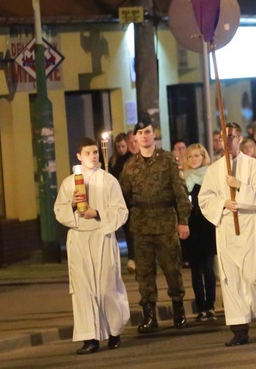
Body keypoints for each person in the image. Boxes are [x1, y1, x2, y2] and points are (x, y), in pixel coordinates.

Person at [199, 123, 256, 347]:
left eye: (231, 137)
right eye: (223, 137)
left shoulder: (253, 165)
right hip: (226, 227)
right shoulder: (214, 169)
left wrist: (239, 186)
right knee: (231, 279)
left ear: (239, 139)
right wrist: (223, 203)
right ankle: (239, 328)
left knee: (254, 275)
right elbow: (205, 199)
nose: (227, 141)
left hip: (249, 224)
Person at [54, 138, 130, 355]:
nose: (93, 156)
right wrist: (71, 204)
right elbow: (59, 210)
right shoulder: (69, 183)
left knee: (107, 287)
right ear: (79, 156)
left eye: (95, 152)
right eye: (88, 153)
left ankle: (114, 330)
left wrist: (96, 213)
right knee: (84, 290)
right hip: (79, 239)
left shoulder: (109, 181)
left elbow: (121, 211)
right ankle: (91, 338)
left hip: (102, 237)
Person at [119, 115, 192, 333]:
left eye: (147, 132)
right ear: (135, 137)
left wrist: (183, 222)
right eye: (140, 133)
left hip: (165, 222)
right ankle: (149, 315)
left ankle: (178, 310)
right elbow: (122, 195)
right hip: (140, 224)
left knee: (172, 268)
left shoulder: (167, 159)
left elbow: (180, 192)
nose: (144, 136)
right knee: (144, 272)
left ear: (154, 134)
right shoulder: (130, 165)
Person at [181, 144, 217, 321]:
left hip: (207, 226)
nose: (194, 159)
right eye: (190, 156)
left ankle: (210, 305)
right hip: (191, 226)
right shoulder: (184, 178)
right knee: (195, 269)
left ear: (204, 157)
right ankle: (200, 306)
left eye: (197, 156)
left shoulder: (211, 176)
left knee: (208, 268)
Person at [111, 131, 137, 273]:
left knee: (130, 231)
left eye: (123, 146)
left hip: (128, 200)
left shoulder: (131, 159)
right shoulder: (113, 160)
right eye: (118, 147)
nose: (121, 149)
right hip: (117, 199)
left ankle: (133, 258)